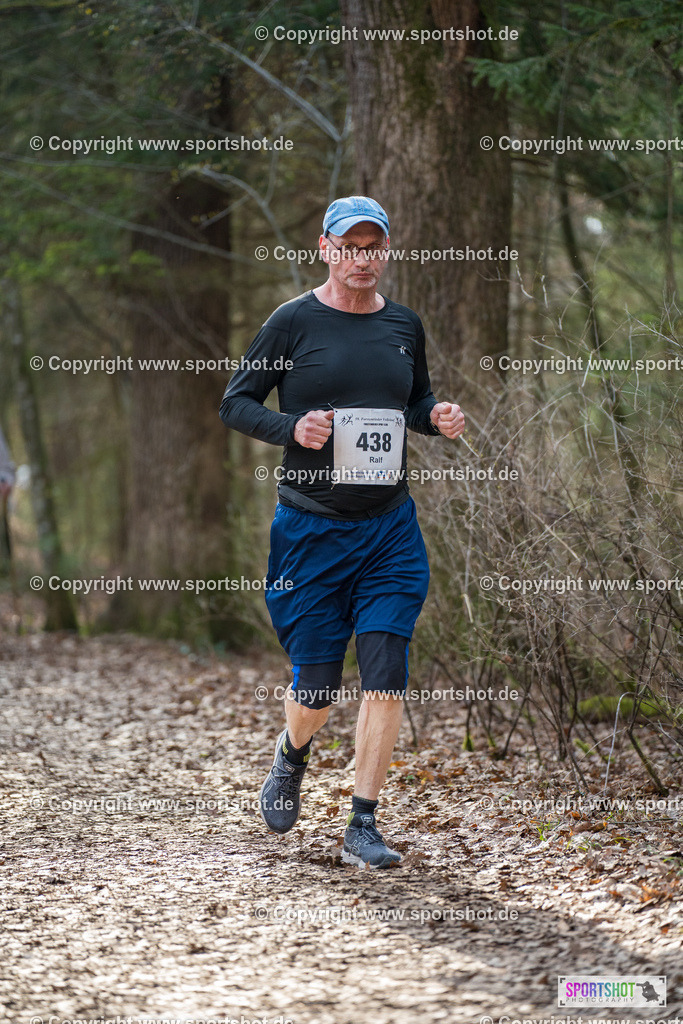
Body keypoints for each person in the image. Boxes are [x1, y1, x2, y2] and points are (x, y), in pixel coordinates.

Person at [220, 196, 465, 868]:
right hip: (310, 531)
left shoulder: (403, 325)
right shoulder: (291, 323)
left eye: (373, 247)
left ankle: (363, 823)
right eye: (350, 246)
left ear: (385, 251)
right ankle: (291, 752)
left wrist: (433, 416)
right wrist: (288, 428)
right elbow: (235, 403)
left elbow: (409, 402)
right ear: (325, 248)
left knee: (386, 673)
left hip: (389, 529)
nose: (363, 259)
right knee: (317, 688)